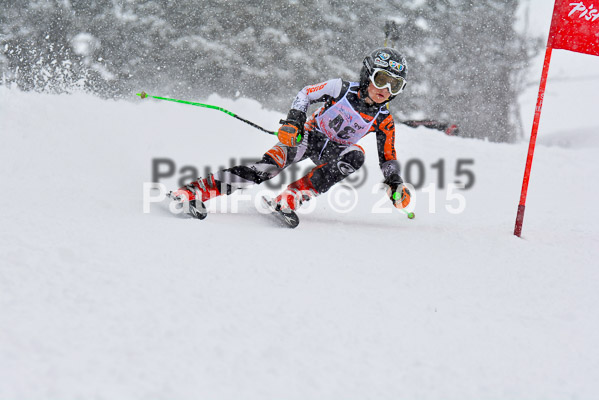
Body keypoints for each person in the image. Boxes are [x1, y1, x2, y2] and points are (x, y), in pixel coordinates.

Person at [170, 47, 412, 217]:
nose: (386, 89)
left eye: (395, 85)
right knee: (267, 170)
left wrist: (395, 184)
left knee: (356, 155)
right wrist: (294, 122)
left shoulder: (384, 120)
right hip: (307, 137)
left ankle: (292, 196)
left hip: (335, 151)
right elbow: (307, 93)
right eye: (381, 79)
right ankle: (194, 190)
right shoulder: (341, 88)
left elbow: (388, 157)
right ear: (367, 74)